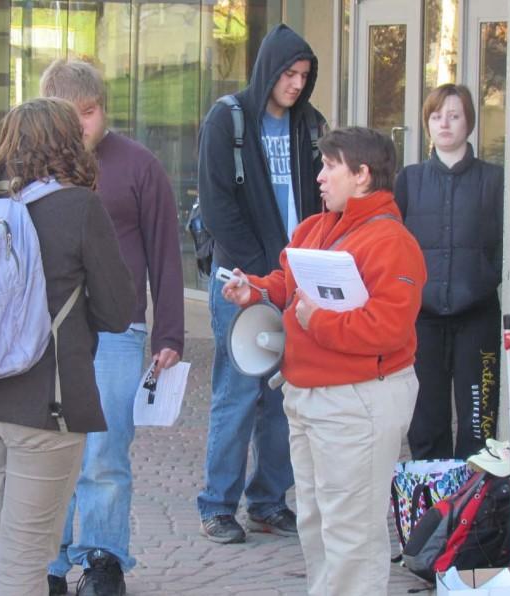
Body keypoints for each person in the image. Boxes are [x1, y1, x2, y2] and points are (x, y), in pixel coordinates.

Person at [0, 97, 135, 595]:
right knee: (26, 561)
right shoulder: (80, 206)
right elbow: (117, 311)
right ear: (70, 143)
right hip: (44, 405)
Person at [222, 126, 426, 595]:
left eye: (331, 166)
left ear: (362, 176)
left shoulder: (393, 243)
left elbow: (388, 329)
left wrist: (318, 324)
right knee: (317, 524)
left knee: (351, 533)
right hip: (309, 396)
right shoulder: (315, 228)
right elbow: (287, 281)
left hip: (358, 400)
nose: (319, 176)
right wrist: (255, 288)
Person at [39, 59, 185, 596]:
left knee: (104, 449)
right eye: (69, 116)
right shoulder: (33, 169)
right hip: (47, 333)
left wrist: (169, 334)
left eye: (90, 113)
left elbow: (166, 253)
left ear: (104, 108)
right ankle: (48, 563)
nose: (82, 126)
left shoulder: (139, 166)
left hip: (118, 332)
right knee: (50, 448)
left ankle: (102, 559)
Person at [196, 23, 327, 545]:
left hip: (295, 278)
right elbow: (218, 203)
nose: (296, 84)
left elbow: (321, 200)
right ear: (268, 69)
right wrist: (259, 274)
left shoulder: (311, 126)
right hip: (241, 279)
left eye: (304, 76)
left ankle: (269, 501)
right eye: (288, 74)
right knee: (238, 389)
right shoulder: (227, 119)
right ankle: (217, 505)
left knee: (284, 393)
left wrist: (300, 271)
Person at [396, 84, 505, 460]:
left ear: (469, 122)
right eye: (436, 116)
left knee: (479, 423)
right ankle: (434, 511)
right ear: (427, 123)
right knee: (425, 422)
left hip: (477, 318)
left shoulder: (494, 181)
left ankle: (475, 512)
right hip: (422, 321)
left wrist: (487, 275)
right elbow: (393, 243)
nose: (445, 123)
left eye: (454, 115)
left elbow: (505, 242)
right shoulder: (409, 180)